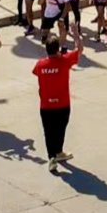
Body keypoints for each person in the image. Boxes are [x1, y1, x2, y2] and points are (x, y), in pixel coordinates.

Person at [33, 33, 83, 174]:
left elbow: (36, 72)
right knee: (60, 129)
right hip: (63, 105)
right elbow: (79, 49)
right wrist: (76, 34)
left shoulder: (40, 64)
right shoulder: (65, 61)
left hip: (46, 106)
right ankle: (57, 152)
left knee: (49, 132)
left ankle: (53, 157)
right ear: (58, 49)